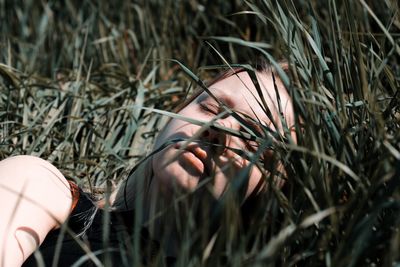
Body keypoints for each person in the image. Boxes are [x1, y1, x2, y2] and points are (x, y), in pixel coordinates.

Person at [0, 62, 296, 266]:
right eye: (209, 107)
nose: (219, 127)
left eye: (252, 138)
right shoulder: (41, 190)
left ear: (276, 187)